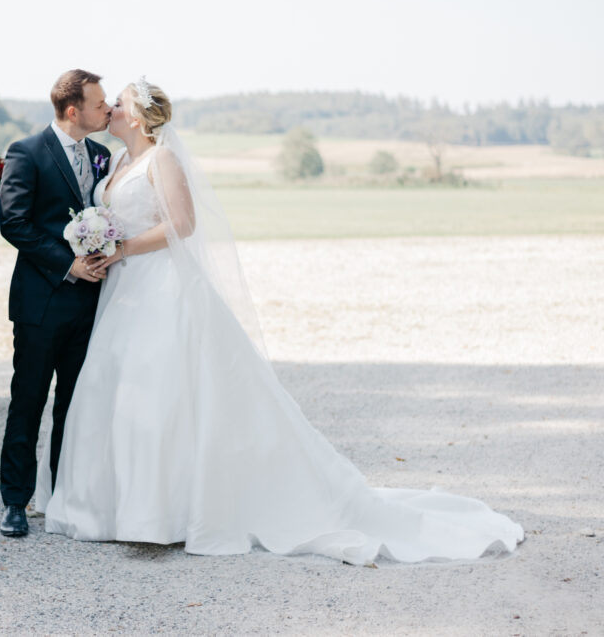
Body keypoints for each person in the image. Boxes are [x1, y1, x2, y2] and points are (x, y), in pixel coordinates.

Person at [39, 79, 524, 563]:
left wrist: (121, 248)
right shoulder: (120, 161)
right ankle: (121, 508)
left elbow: (182, 225)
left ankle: (167, 511)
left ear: (139, 117)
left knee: (170, 390)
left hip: (160, 288)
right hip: (124, 292)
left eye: (117, 104)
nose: (110, 111)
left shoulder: (161, 159)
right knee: (125, 392)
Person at [0, 69, 113, 537]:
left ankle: (63, 495)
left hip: (93, 304)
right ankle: (15, 502)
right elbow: (14, 224)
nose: (107, 110)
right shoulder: (26, 152)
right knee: (28, 400)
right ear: (72, 110)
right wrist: (69, 265)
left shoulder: (104, 156)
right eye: (99, 103)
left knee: (75, 403)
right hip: (42, 303)